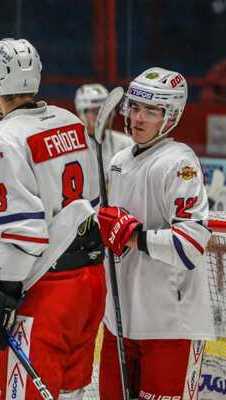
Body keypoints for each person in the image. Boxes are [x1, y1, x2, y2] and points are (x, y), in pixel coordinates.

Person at [0, 38, 105, 399]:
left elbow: (24, 235)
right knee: (72, 392)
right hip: (91, 284)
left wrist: (2, 296)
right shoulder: (69, 122)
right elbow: (90, 201)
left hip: (48, 290)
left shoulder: (0, 140)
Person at [97, 67, 213, 399]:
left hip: (171, 325)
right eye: (134, 107)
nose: (138, 117)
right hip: (120, 323)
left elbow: (192, 242)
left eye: (151, 111)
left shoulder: (180, 163)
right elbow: (104, 226)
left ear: (171, 115)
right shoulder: (119, 160)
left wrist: (133, 235)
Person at [74, 83, 132, 172]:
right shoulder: (73, 146)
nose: (101, 115)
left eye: (104, 110)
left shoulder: (126, 143)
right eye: (94, 111)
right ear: (81, 114)